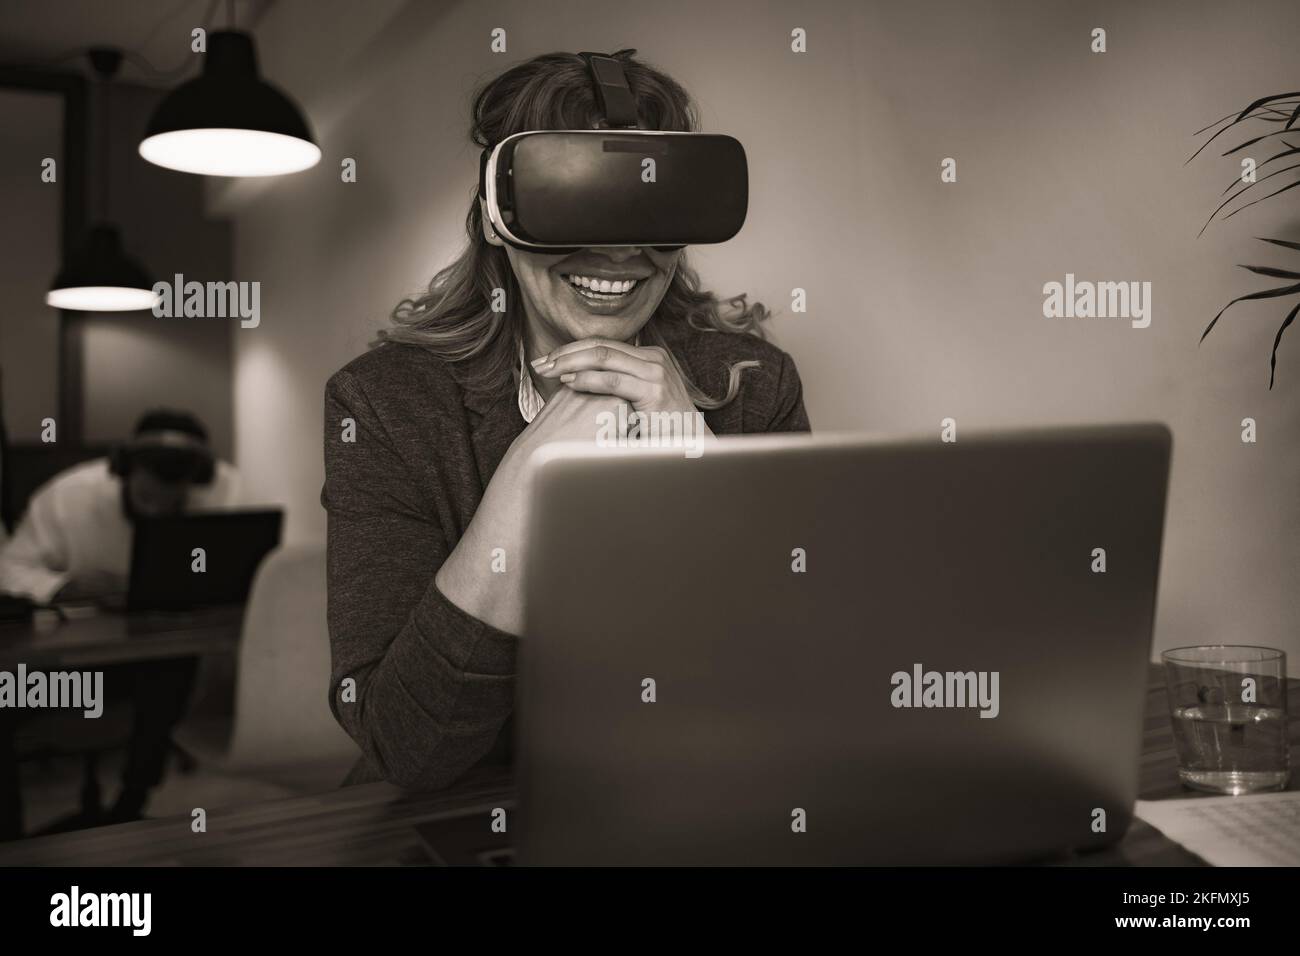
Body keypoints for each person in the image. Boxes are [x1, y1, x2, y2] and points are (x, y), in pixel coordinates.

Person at [322, 50, 810, 792]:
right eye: (573, 202)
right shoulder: (385, 407)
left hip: (685, 798)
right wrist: (523, 484)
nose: (619, 250)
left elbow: (800, 679)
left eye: (650, 209)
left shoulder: (754, 388)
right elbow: (406, 749)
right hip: (467, 812)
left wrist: (709, 485)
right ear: (495, 218)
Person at [0, 410, 242, 839]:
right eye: (152, 477)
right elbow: (9, 567)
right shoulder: (69, 497)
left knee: (172, 665)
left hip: (143, 666)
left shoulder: (226, 491)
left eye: (177, 483)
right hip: (61, 672)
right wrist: (63, 585)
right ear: (124, 467)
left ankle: (132, 801)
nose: (162, 491)